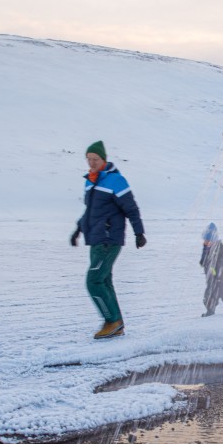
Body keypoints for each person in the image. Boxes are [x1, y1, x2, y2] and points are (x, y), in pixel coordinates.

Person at [70, 140, 146, 339]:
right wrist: (78, 229)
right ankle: (115, 323)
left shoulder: (116, 181)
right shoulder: (91, 181)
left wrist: (139, 232)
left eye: (95, 159)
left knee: (93, 280)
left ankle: (112, 321)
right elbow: (90, 211)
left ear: (104, 159)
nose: (91, 163)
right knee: (103, 279)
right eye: (88, 159)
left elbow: (131, 208)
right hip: (95, 238)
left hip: (109, 239)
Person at [199, 222, 223, 317]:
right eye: (205, 240)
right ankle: (210, 312)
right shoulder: (207, 249)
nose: (206, 242)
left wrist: (220, 275)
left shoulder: (221, 250)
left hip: (222, 279)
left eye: (208, 241)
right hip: (212, 279)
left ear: (213, 240)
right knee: (209, 296)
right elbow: (203, 262)